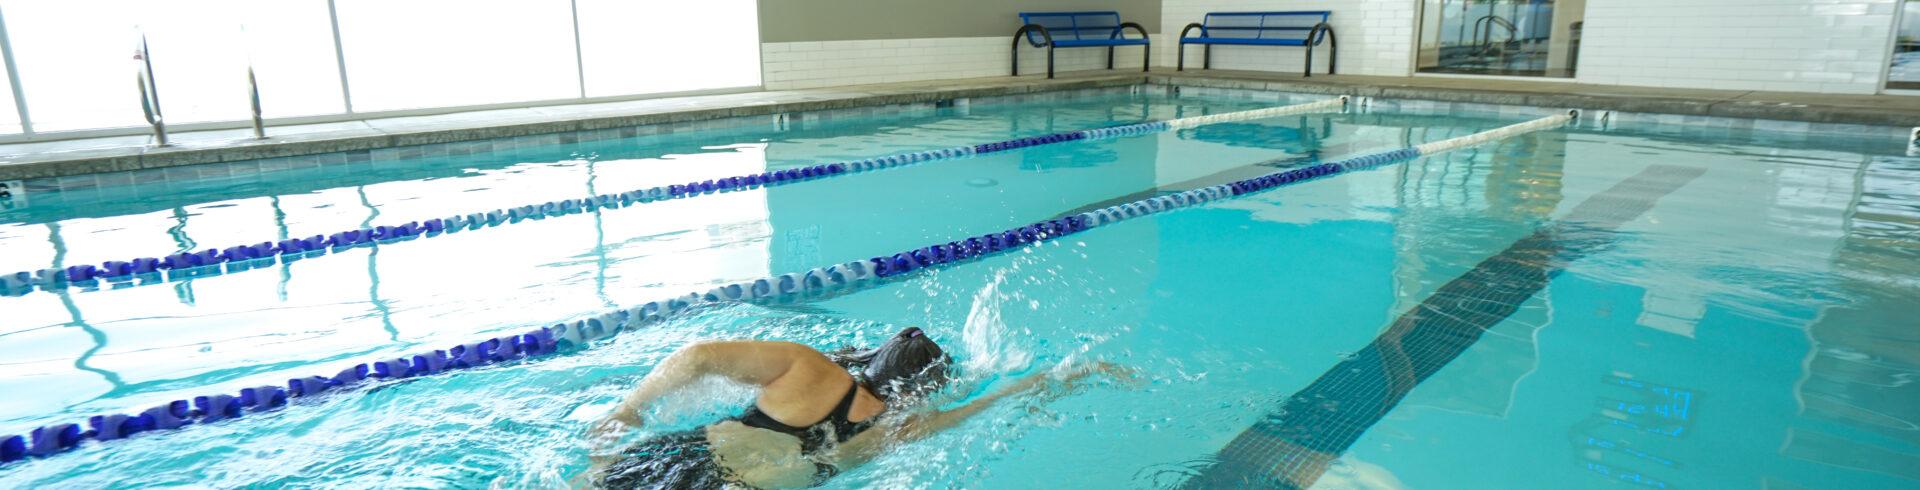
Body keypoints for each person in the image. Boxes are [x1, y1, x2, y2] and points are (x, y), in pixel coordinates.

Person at [584, 326, 1127, 489]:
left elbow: (699, 356)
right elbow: (998, 400)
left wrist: (631, 408)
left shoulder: (811, 367)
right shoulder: (905, 427)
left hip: (682, 457)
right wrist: (1075, 372)